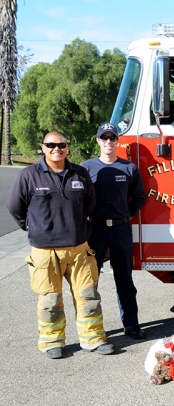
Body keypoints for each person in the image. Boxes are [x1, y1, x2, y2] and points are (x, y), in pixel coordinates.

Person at [7, 131, 114, 359]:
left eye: (62, 144)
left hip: (79, 248)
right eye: (51, 144)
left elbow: (89, 204)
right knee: (50, 299)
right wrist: (34, 227)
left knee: (88, 295)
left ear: (67, 147)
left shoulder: (80, 173)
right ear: (43, 147)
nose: (57, 148)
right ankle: (52, 342)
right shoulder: (28, 176)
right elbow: (15, 207)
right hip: (45, 252)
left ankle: (93, 338)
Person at [81, 123, 147, 339]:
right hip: (96, 230)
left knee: (124, 280)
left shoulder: (129, 168)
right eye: (104, 138)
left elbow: (139, 198)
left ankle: (131, 325)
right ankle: (90, 329)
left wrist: (126, 216)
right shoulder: (86, 168)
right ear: (98, 141)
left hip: (120, 230)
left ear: (118, 141)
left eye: (112, 138)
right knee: (90, 281)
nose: (108, 142)